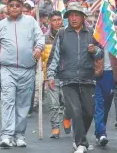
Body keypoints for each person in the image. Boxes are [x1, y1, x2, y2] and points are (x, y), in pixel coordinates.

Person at [0, 0, 44, 148]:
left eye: (17, 5)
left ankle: (19, 135)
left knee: (23, 104)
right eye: (11, 5)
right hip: (8, 69)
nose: (14, 7)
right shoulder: (0, 25)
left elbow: (40, 38)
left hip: (27, 70)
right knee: (8, 101)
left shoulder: (31, 22)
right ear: (7, 8)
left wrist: (39, 48)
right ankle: (6, 135)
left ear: (21, 7)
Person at [47, 3, 102, 153]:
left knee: (89, 112)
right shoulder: (62, 33)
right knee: (76, 111)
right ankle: (81, 144)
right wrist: (50, 75)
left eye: (77, 15)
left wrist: (95, 50)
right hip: (68, 79)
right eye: (71, 15)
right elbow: (54, 56)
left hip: (88, 78)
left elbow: (101, 54)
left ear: (83, 17)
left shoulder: (91, 33)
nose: (74, 18)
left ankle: (78, 138)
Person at [42, 11, 71, 139]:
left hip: (67, 74)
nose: (57, 22)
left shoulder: (68, 35)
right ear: (49, 22)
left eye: (59, 19)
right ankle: (55, 128)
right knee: (53, 104)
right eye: (54, 20)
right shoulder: (44, 38)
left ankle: (66, 118)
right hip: (51, 75)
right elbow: (42, 58)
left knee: (68, 101)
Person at [94, 19, 117, 147]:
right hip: (97, 75)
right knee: (99, 105)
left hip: (111, 76)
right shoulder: (95, 38)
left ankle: (99, 131)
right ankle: (102, 133)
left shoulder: (115, 41)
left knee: (106, 106)